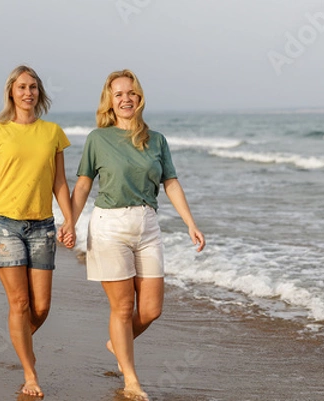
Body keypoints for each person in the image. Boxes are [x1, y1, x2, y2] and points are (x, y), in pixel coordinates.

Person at [70, 69, 206, 400]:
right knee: (121, 308)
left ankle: (116, 341)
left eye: (130, 92)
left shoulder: (156, 140)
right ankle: (131, 380)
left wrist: (190, 222)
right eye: (118, 94)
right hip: (109, 226)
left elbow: (170, 182)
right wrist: (69, 222)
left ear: (139, 97)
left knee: (151, 309)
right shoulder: (97, 139)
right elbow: (84, 183)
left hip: (148, 224)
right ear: (109, 101)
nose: (125, 98)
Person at [0, 65, 75, 397]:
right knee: (19, 302)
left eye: (33, 87)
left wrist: (69, 219)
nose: (28, 93)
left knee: (40, 307)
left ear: (39, 93)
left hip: (42, 225)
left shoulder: (52, 132)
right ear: (11, 92)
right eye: (21, 87)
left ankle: (20, 343)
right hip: (2, 224)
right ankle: (30, 373)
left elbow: (59, 181)